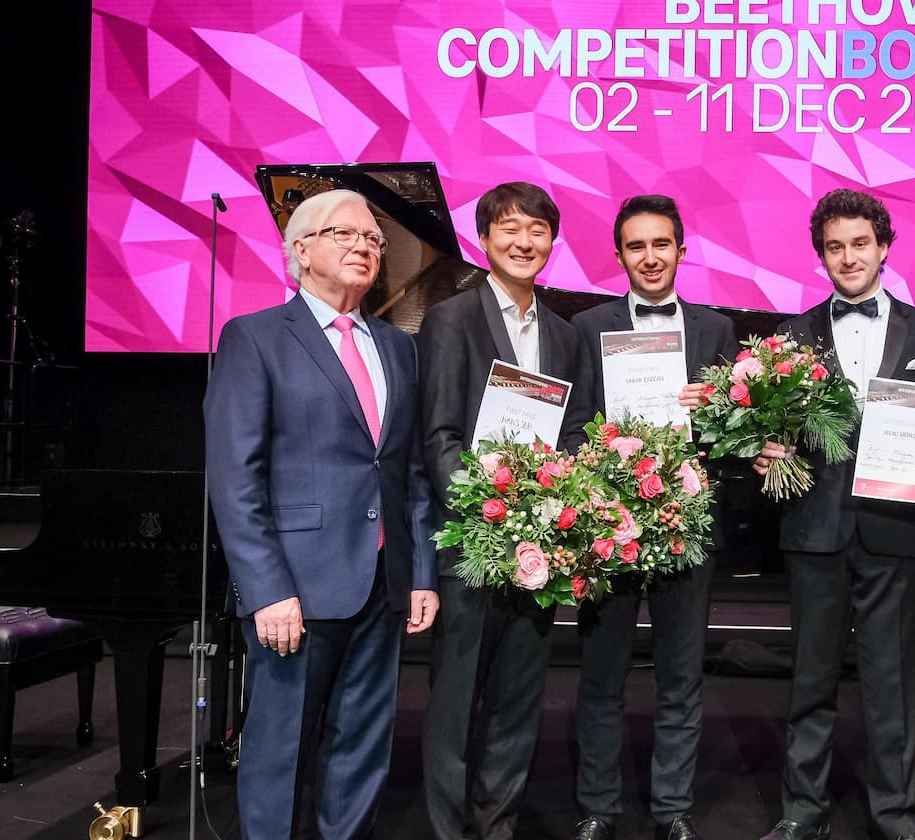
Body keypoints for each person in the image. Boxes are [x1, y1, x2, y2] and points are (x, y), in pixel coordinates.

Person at [204, 188, 440, 839]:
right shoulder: (254, 338)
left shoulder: (398, 347)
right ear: (301, 251)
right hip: (296, 590)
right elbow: (234, 477)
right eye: (346, 234)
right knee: (280, 749)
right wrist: (267, 589)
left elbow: (408, 471)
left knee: (361, 748)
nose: (364, 247)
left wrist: (419, 571)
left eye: (374, 240)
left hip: (381, 581)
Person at [753, 188, 915, 840]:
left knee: (891, 685)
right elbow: (774, 431)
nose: (848, 257)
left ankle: (896, 816)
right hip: (815, 531)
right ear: (821, 255)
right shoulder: (789, 338)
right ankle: (801, 811)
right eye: (835, 247)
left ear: (883, 247)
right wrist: (765, 454)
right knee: (810, 681)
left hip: (897, 531)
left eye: (860, 244)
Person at [416, 181, 595, 840]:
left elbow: (575, 431)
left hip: (541, 547)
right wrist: (489, 509)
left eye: (538, 230)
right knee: (456, 704)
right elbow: (438, 437)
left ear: (553, 241)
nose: (525, 243)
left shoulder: (564, 333)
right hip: (472, 543)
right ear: (484, 239)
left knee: (518, 705)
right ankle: (447, 829)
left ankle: (498, 827)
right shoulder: (451, 319)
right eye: (511, 229)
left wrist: (558, 505)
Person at [566, 195, 736, 840]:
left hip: (687, 525)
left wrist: (710, 413)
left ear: (681, 251)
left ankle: (672, 810)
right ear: (618, 257)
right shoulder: (587, 327)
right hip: (610, 527)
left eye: (660, 244)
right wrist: (613, 453)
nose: (650, 258)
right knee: (602, 675)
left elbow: (732, 435)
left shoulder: (716, 330)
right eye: (636, 247)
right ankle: (596, 808)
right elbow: (576, 422)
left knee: (680, 677)